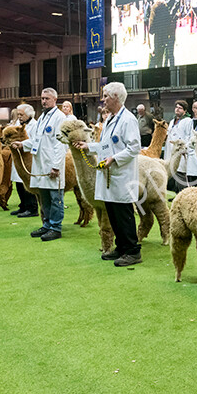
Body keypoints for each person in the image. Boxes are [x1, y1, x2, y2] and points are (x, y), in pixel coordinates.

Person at [73, 82, 142, 266]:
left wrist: (114, 159)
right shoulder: (111, 119)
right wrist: (89, 147)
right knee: (113, 213)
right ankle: (121, 247)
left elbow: (134, 147)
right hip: (108, 176)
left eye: (105, 96)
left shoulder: (128, 120)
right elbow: (106, 145)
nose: (103, 100)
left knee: (123, 214)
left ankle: (133, 251)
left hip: (121, 175)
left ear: (116, 98)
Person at [10, 89, 66, 242]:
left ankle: (56, 228)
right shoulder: (42, 117)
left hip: (52, 165)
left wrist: (56, 166)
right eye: (42, 98)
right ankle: (47, 224)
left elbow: (61, 144)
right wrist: (22, 144)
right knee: (45, 198)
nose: (44, 101)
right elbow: (36, 140)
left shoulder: (60, 117)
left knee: (56, 198)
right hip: (40, 164)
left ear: (55, 99)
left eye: (47, 98)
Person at [10, 104, 39, 219]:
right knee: (18, 182)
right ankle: (23, 206)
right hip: (18, 156)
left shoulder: (35, 125)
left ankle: (32, 208)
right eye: (18, 115)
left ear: (29, 114)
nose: (19, 117)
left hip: (28, 157)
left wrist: (23, 145)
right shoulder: (18, 124)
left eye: (21, 115)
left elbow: (34, 140)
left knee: (27, 183)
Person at [164, 100, 191, 192]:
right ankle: (176, 194)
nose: (177, 110)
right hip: (171, 152)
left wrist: (184, 148)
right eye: (176, 107)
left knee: (180, 175)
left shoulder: (188, 121)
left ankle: (184, 195)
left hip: (181, 152)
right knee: (172, 174)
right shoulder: (172, 121)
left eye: (180, 108)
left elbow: (189, 137)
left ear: (185, 111)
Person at [163, 0, 180, 68]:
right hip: (165, 23)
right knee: (165, 49)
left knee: (170, 50)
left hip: (171, 22)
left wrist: (170, 14)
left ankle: (172, 68)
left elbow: (177, 0)